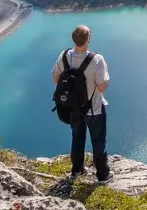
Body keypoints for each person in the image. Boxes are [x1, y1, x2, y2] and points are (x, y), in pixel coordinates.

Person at [51, 25, 110, 182]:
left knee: (77, 138)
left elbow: (55, 79)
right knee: (98, 142)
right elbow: (102, 86)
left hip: (74, 109)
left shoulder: (63, 56)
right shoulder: (97, 60)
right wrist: (106, 75)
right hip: (94, 110)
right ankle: (103, 176)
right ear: (88, 39)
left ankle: (77, 171)